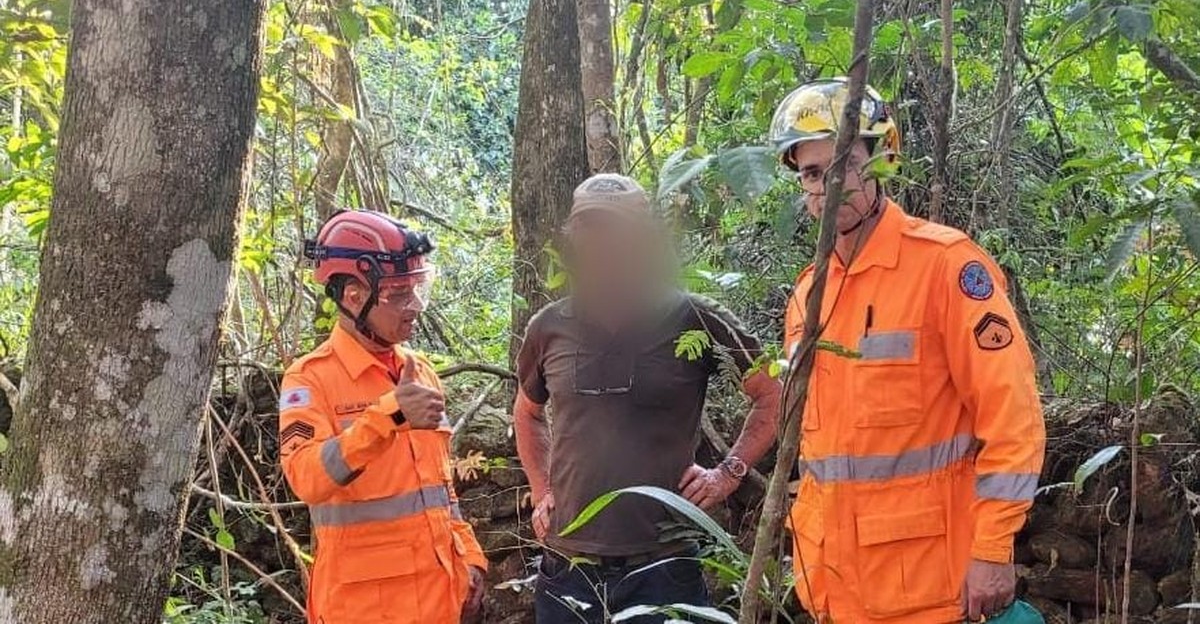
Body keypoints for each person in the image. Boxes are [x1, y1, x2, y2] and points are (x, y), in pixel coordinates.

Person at [770, 78, 1046, 624]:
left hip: (928, 584)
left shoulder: (945, 267)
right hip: (834, 587)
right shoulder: (808, 295)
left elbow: (1013, 416)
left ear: (881, 162)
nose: (828, 187)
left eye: (845, 164)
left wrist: (991, 548)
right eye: (811, 172)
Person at [513, 173, 783, 624]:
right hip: (568, 568)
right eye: (591, 231)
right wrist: (542, 490)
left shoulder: (693, 316)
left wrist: (728, 474)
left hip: (664, 565)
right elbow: (527, 414)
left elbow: (773, 395)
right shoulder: (550, 326)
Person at [278, 209, 487, 624]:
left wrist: (470, 556)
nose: (415, 307)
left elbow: (439, 489)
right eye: (398, 294)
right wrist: (389, 416)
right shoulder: (311, 378)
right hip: (364, 608)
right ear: (354, 295)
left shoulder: (420, 370)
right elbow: (308, 478)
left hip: (441, 598)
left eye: (418, 288)